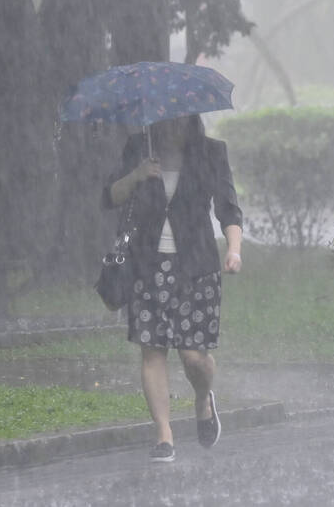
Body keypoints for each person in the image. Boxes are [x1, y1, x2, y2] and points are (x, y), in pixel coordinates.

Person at [102, 114, 243, 462]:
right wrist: (137, 175)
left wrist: (234, 250)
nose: (171, 127)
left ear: (190, 120)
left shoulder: (211, 152)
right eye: (165, 120)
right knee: (152, 350)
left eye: (179, 120)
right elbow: (109, 197)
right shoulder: (139, 147)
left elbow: (228, 207)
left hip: (195, 266)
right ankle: (164, 435)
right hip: (147, 264)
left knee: (194, 356)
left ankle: (203, 398)